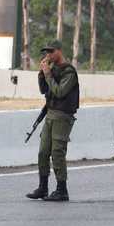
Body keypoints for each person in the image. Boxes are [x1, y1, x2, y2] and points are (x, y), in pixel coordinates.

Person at [26, 39, 79, 202]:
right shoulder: (52, 67)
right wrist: (42, 73)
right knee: (43, 152)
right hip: (50, 113)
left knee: (57, 153)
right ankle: (43, 187)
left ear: (60, 51)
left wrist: (48, 73)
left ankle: (62, 190)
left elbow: (60, 92)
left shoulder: (68, 71)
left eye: (52, 51)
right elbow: (44, 90)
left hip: (62, 116)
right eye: (47, 52)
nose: (49, 54)